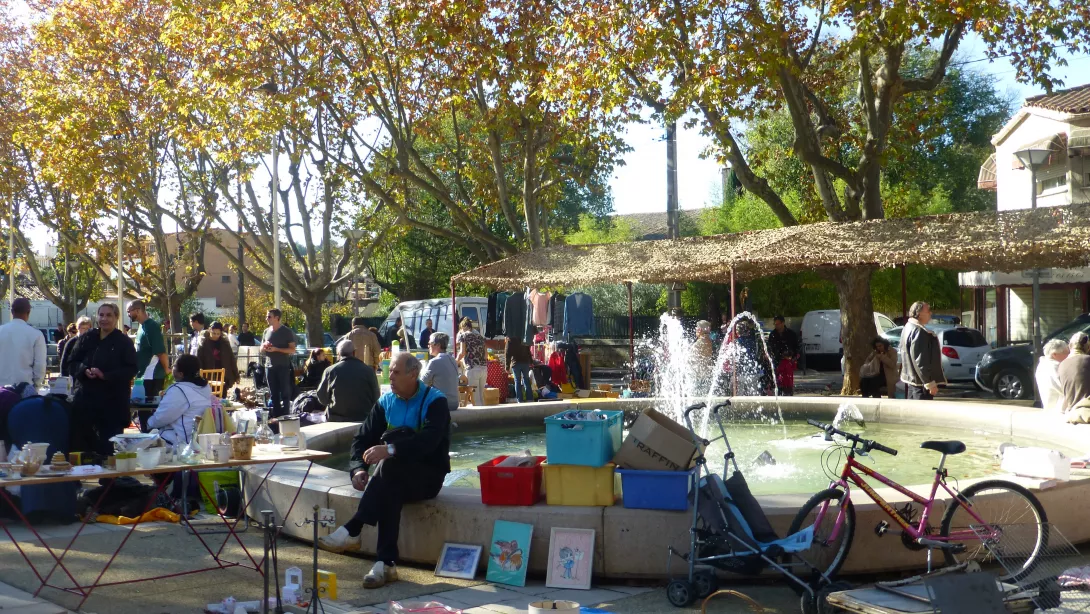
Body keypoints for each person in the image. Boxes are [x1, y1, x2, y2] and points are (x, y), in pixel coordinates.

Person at [317, 352, 451, 589]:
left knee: (389, 467)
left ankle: (354, 528)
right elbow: (361, 439)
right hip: (396, 477)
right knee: (390, 486)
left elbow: (429, 442)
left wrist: (390, 449)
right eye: (390, 372)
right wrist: (358, 469)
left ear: (413, 374)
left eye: (396, 372)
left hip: (428, 477)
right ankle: (384, 563)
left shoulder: (435, 401)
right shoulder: (386, 402)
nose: (391, 377)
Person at [64, 303, 138, 455]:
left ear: (116, 318)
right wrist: (84, 370)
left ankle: (107, 470)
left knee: (107, 452)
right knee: (82, 448)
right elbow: (71, 362)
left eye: (109, 315)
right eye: (101, 315)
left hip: (112, 405)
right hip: (85, 402)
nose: (104, 319)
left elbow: (131, 369)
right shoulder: (87, 337)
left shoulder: (124, 342)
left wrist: (105, 375)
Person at [145, 354, 212, 446]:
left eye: (174, 366)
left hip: (177, 443)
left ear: (181, 374)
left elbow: (162, 418)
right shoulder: (205, 387)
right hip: (195, 439)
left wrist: (148, 423)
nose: (172, 368)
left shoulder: (179, 390)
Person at [316, 340, 380, 423]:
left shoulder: (330, 371)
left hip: (336, 419)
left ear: (338, 354)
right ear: (354, 352)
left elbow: (322, 398)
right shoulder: (368, 370)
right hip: (363, 417)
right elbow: (376, 396)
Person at [899, 301, 944, 400]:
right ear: (919, 314)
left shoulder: (907, 327)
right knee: (922, 410)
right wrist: (930, 384)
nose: (930, 313)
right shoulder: (919, 331)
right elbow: (920, 361)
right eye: (928, 311)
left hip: (912, 382)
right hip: (921, 386)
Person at [0, 298, 47, 388]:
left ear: (12, 312)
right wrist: (36, 385)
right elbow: (40, 365)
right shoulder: (36, 334)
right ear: (28, 312)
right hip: (24, 388)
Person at [127, 300, 169, 398]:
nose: (128, 314)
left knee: (151, 406)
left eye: (129, 311)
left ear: (138, 310)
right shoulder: (141, 326)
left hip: (152, 376)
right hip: (142, 376)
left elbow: (160, 352)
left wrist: (167, 369)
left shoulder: (152, 326)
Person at [261, 309, 296, 417]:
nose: (267, 319)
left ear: (277, 318)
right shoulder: (266, 331)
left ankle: (286, 416)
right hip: (269, 366)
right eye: (267, 316)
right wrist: (264, 346)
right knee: (273, 394)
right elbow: (261, 349)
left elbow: (292, 350)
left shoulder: (286, 332)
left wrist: (276, 349)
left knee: (285, 393)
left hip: (283, 366)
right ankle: (276, 417)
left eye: (269, 317)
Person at [197, 321, 240, 391]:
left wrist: (236, 375)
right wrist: (199, 376)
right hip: (208, 374)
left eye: (218, 334)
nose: (216, 336)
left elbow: (231, 359)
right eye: (214, 333)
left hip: (224, 374)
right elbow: (199, 360)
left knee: (222, 394)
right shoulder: (203, 343)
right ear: (209, 330)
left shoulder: (225, 343)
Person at [420, 332, 459, 411]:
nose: (428, 346)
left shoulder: (434, 361)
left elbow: (421, 383)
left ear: (438, 345)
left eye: (430, 343)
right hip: (454, 403)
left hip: (441, 403)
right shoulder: (453, 360)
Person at [456, 317, 487, 406]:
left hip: (472, 368)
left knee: (476, 399)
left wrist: (455, 361)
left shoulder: (463, 336)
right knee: (481, 397)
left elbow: (462, 353)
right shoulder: (480, 337)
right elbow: (486, 355)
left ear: (463, 327)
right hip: (483, 369)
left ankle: (479, 415)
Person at [1058, 332, 1090, 418]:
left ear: (1070, 346)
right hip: (1087, 410)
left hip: (1072, 412)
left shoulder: (1062, 364)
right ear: (1088, 347)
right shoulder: (1088, 360)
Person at [766, 315, 800, 396]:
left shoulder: (791, 334)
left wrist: (792, 356)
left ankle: (788, 393)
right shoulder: (773, 334)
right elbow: (769, 348)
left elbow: (796, 348)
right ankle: (777, 392)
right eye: (775, 324)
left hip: (788, 361)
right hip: (776, 361)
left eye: (778, 324)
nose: (776, 326)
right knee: (777, 380)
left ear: (783, 323)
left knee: (787, 380)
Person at [1036, 339, 1070, 412]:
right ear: (1054, 354)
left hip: (1050, 408)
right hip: (1059, 410)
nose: (1068, 355)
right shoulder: (1055, 367)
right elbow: (1067, 389)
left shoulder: (1042, 364)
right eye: (1066, 353)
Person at [507, 336, 534, 402]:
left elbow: (508, 353)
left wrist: (507, 366)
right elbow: (528, 351)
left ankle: (520, 400)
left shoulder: (510, 339)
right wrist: (531, 361)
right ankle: (530, 399)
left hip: (516, 363)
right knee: (526, 380)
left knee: (517, 381)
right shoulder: (524, 336)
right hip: (525, 362)